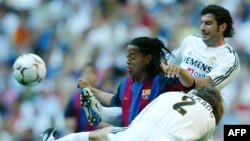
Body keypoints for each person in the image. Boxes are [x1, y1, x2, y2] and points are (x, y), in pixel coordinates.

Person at [77, 36, 195, 127]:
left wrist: (181, 71)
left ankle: (102, 114)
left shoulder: (163, 81)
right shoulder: (125, 84)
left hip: (153, 135)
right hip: (130, 134)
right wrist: (91, 90)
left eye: (132, 57)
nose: (128, 61)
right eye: (127, 57)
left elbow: (190, 85)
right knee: (116, 116)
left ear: (147, 59)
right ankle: (101, 113)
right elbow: (115, 100)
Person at [41, 84, 224, 141]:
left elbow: (141, 116)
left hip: (140, 130)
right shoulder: (210, 118)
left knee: (96, 136)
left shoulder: (173, 95)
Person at [163, 4, 240, 91]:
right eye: (201, 23)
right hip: (173, 94)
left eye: (208, 23)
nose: (202, 28)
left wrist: (182, 72)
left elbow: (206, 85)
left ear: (222, 27)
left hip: (199, 102)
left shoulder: (230, 58)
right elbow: (166, 62)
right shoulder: (190, 40)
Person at [64, 63, 97, 132]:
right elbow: (67, 117)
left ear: (96, 76)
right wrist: (70, 123)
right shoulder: (75, 98)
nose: (88, 76)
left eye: (91, 73)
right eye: (86, 73)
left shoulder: (104, 95)